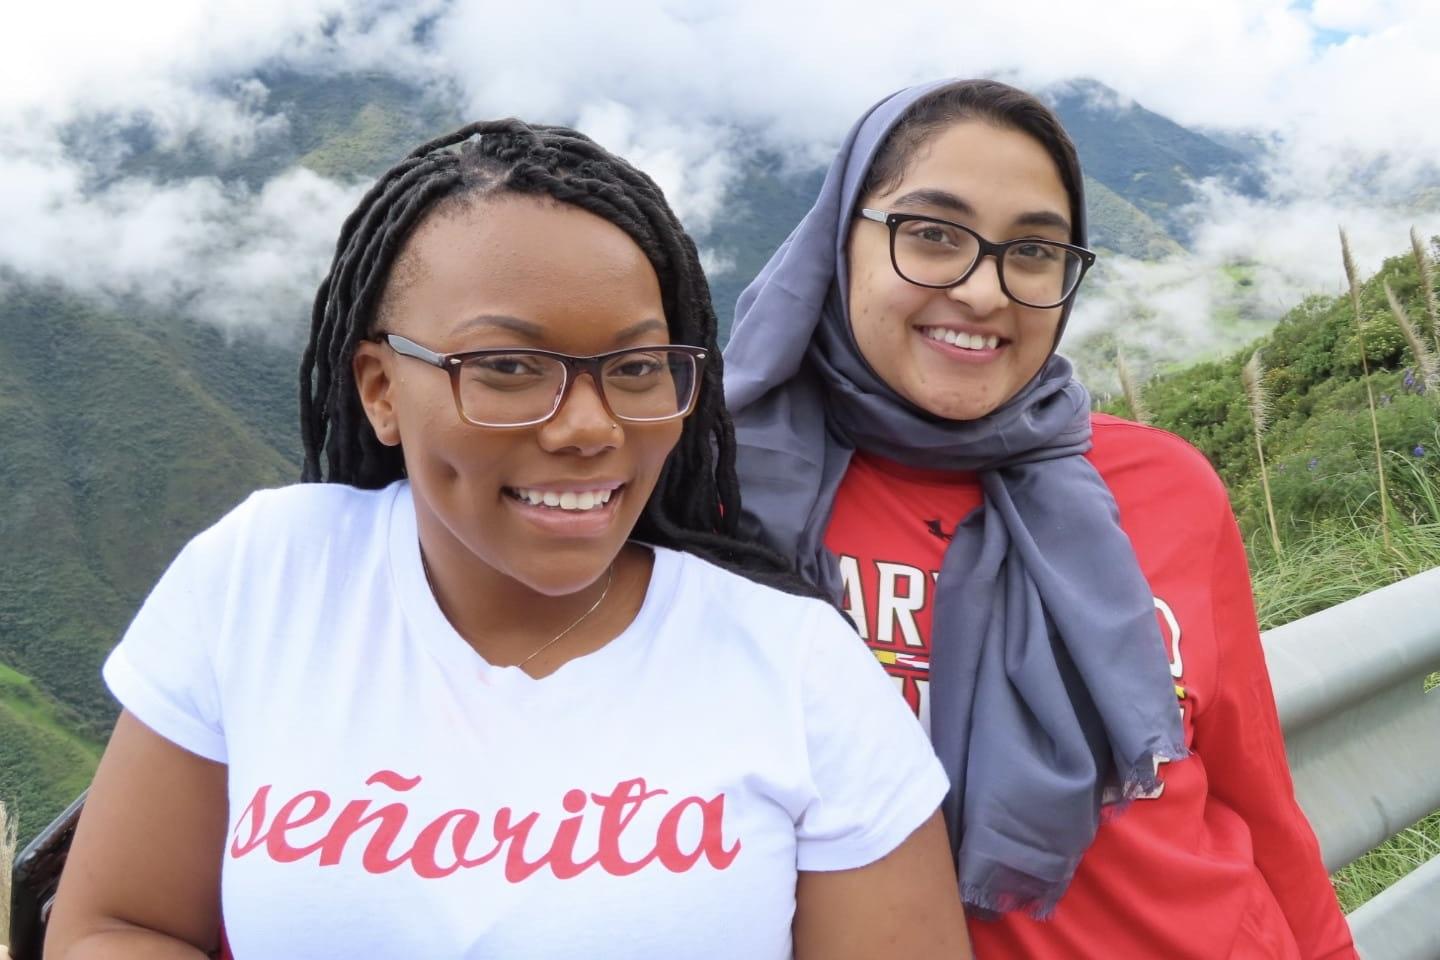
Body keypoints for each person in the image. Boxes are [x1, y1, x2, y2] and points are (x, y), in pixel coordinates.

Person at [43, 119, 971, 959]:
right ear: (379, 390)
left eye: (638, 367)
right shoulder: (262, 577)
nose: (588, 428)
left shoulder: (800, 672)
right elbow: (118, 926)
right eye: (509, 367)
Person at [725, 79, 1357, 959]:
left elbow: (1257, 799)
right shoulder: (729, 506)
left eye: (1033, 252)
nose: (985, 292)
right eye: (933, 234)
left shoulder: (1165, 484)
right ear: (840, 242)